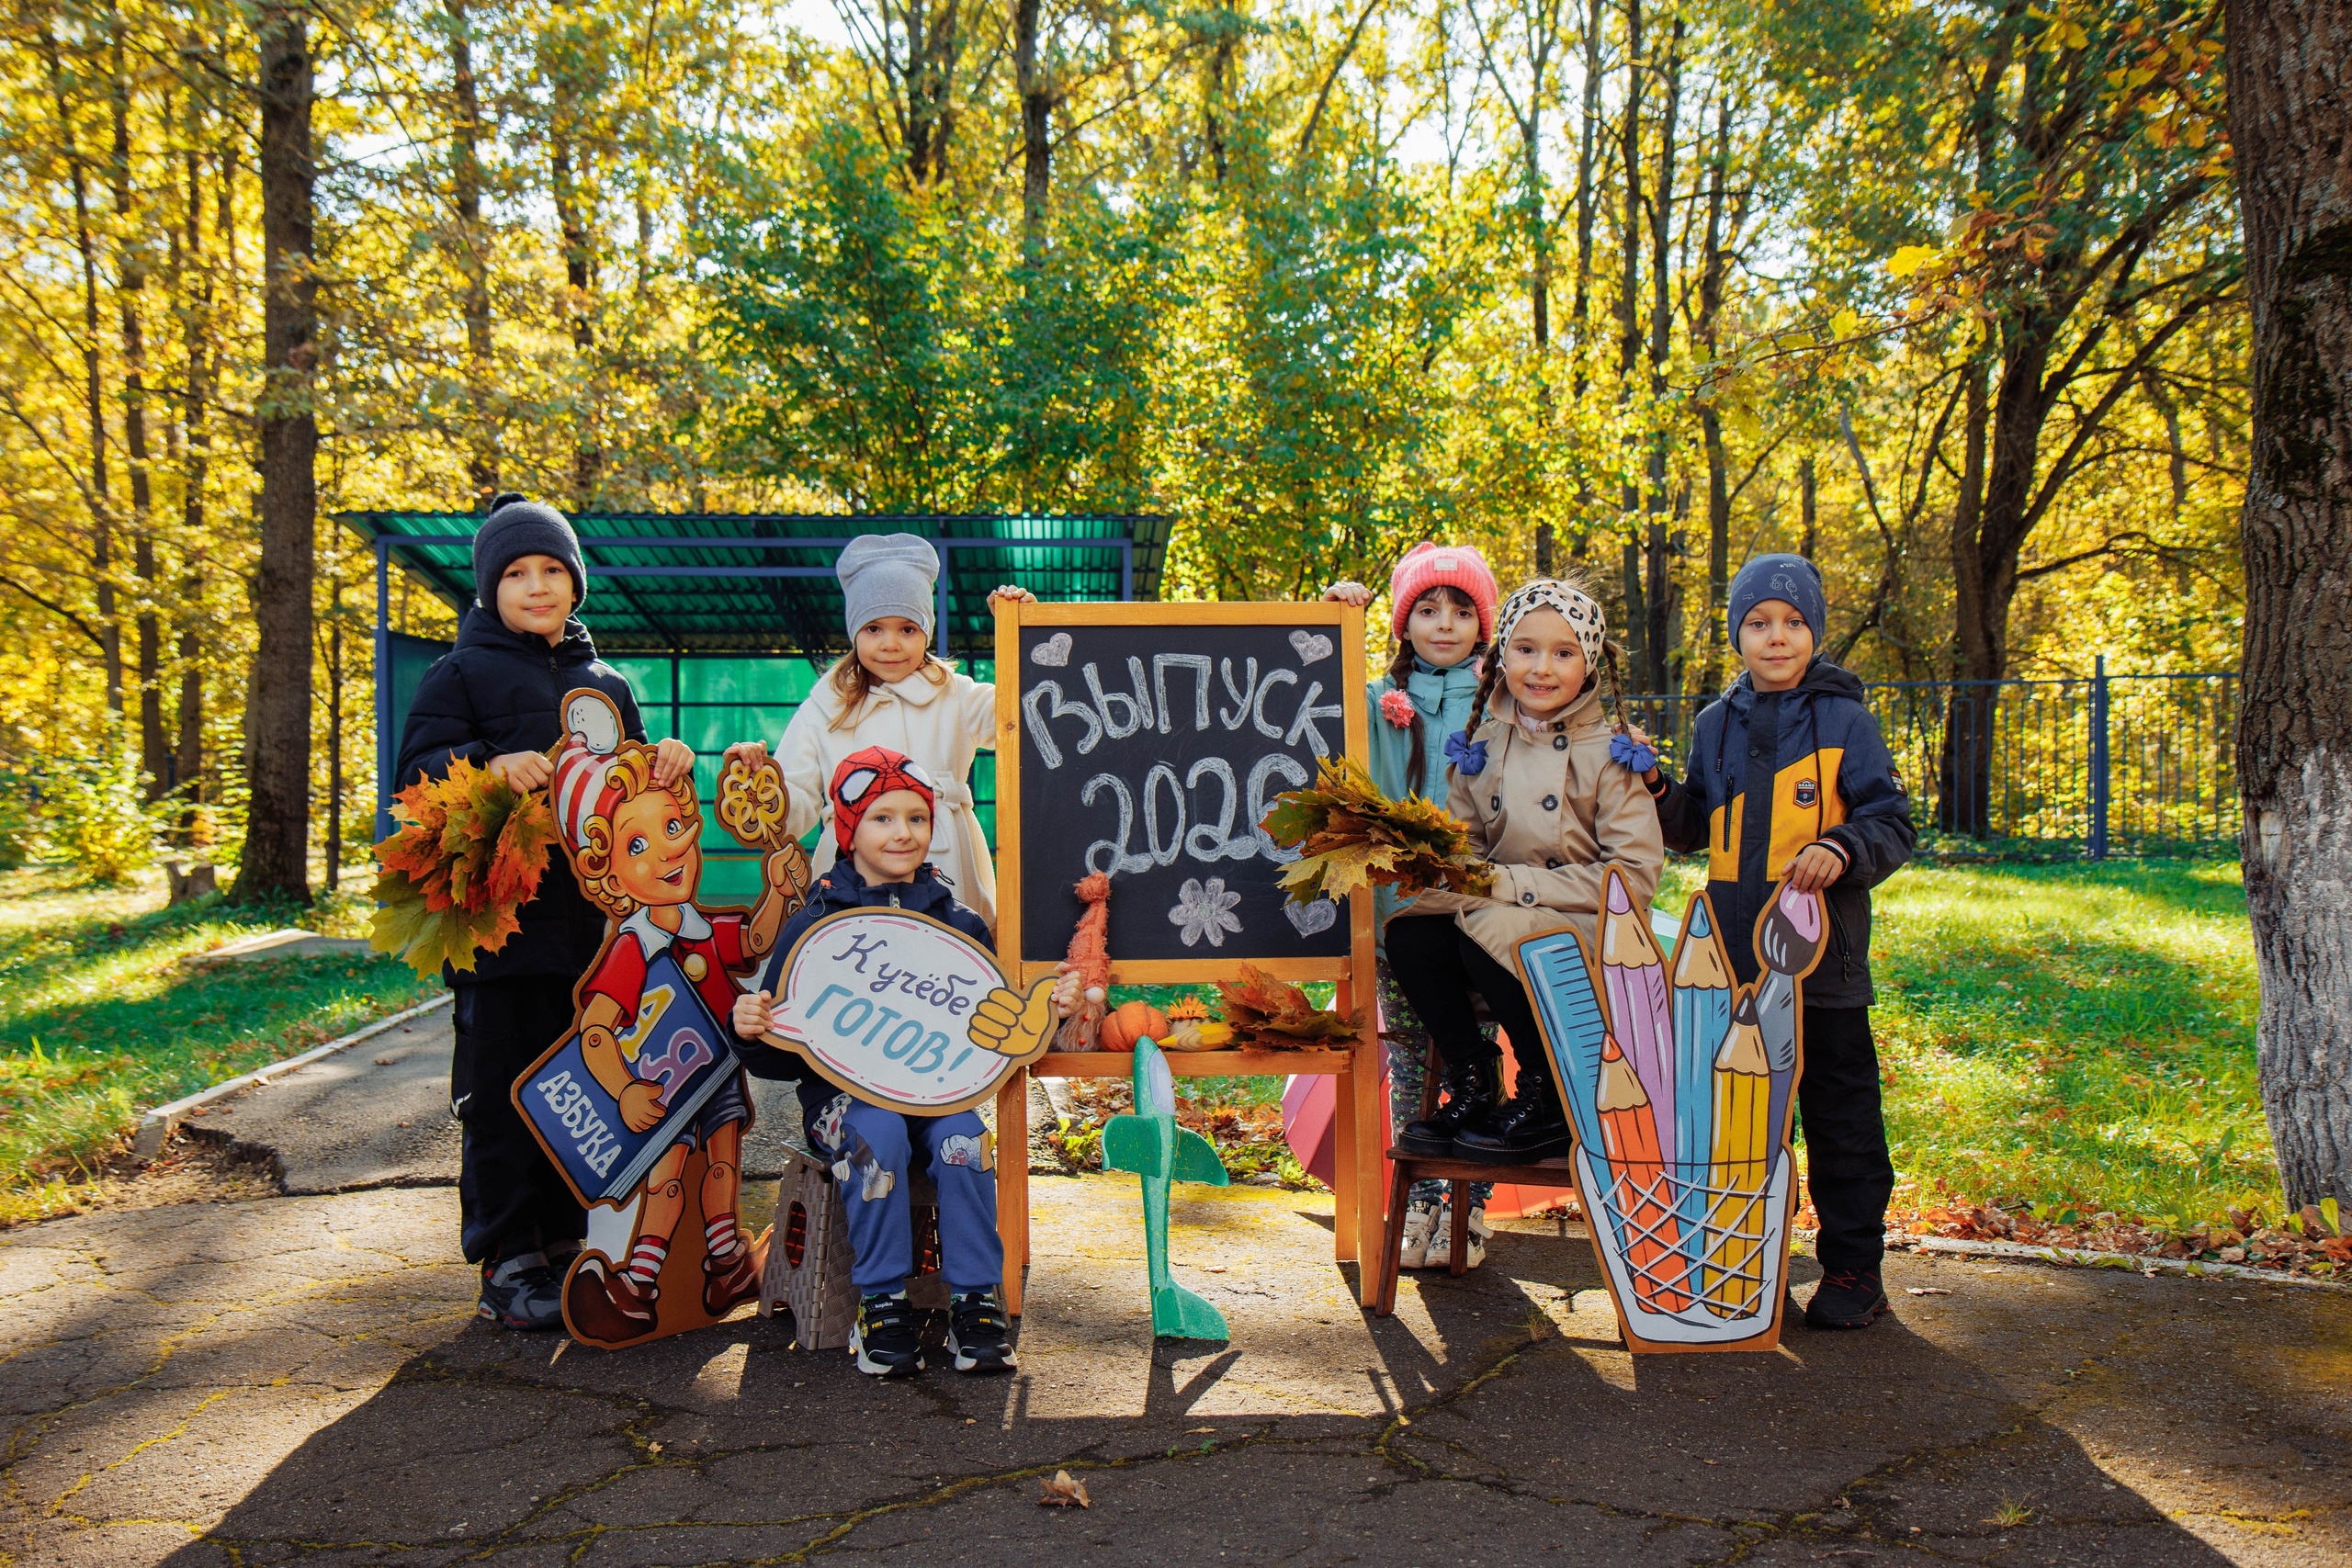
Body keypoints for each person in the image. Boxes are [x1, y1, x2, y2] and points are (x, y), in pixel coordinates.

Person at [394, 493, 696, 1331]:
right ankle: (506, 1254)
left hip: (592, 933)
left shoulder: (608, 684)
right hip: (501, 927)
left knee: (579, 1086)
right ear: (490, 587)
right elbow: (415, 777)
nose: (536, 586)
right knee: (500, 1088)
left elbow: (633, 794)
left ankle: (567, 1238)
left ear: (576, 583)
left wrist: (665, 763)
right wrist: (490, 763)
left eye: (552, 570)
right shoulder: (458, 674)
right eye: (517, 573)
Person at [1626, 554, 1915, 1329]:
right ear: (1737, 635)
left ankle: (1855, 1269)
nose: (1776, 637)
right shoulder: (1715, 724)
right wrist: (1656, 785)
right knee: (1741, 1122)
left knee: (1838, 1117)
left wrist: (1843, 847)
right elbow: (1693, 827)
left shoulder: (1847, 721)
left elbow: (1894, 822)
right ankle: (1747, 1261)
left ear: (1814, 632)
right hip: (1732, 968)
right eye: (1758, 623)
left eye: (1792, 623)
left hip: (1821, 969)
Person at [730, 747, 1079, 1377]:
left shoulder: (959, 925)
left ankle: (975, 1299)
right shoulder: (814, 927)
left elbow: (992, 1034)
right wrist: (752, 1029)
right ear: (848, 830)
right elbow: (780, 1051)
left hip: (938, 1100)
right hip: (846, 1109)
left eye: (917, 818)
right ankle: (882, 1300)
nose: (902, 832)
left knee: (964, 1142)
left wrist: (1046, 1011)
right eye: (882, 818)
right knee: (876, 1135)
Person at [549, 690, 806, 1344]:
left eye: (672, 829)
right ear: (606, 870)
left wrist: (777, 893)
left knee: (722, 1164)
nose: (668, 852)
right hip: (659, 1088)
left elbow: (750, 943)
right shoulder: (633, 946)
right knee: (663, 1181)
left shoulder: (696, 927)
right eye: (639, 842)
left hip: (717, 1072)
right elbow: (597, 1029)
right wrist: (624, 1088)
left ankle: (727, 1265)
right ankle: (636, 1284)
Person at [1386, 578, 1665, 1166]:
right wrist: (1435, 864)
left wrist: (1510, 886)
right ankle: (1471, 1078)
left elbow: (1634, 878)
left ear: (1589, 667)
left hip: (1583, 923)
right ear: (1501, 654)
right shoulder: (1484, 740)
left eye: (1563, 653)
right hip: (1500, 906)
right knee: (1412, 932)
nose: (1541, 668)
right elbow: (1467, 842)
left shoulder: (1611, 753)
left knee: (1489, 933)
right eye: (1526, 649)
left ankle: (1549, 1094)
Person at [1321, 543, 1502, 1267]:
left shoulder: (1505, 694)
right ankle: (1418, 1192)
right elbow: (1321, 707)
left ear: (1484, 624)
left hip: (1486, 905)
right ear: (1403, 622)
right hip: (1403, 913)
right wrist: (1339, 621)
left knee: (1479, 1048)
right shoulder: (1378, 699)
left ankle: (1470, 1201)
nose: (1445, 623)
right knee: (1414, 1048)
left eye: (1462, 610)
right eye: (1427, 609)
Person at [723, 535, 1033, 932]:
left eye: (907, 628)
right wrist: (759, 781)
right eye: (873, 628)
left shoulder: (956, 693)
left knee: (953, 967)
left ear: (927, 631)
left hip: (947, 863)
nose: (890, 644)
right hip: (850, 875)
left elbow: (1030, 715)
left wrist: (1024, 635)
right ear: (854, 632)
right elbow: (795, 798)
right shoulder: (826, 705)